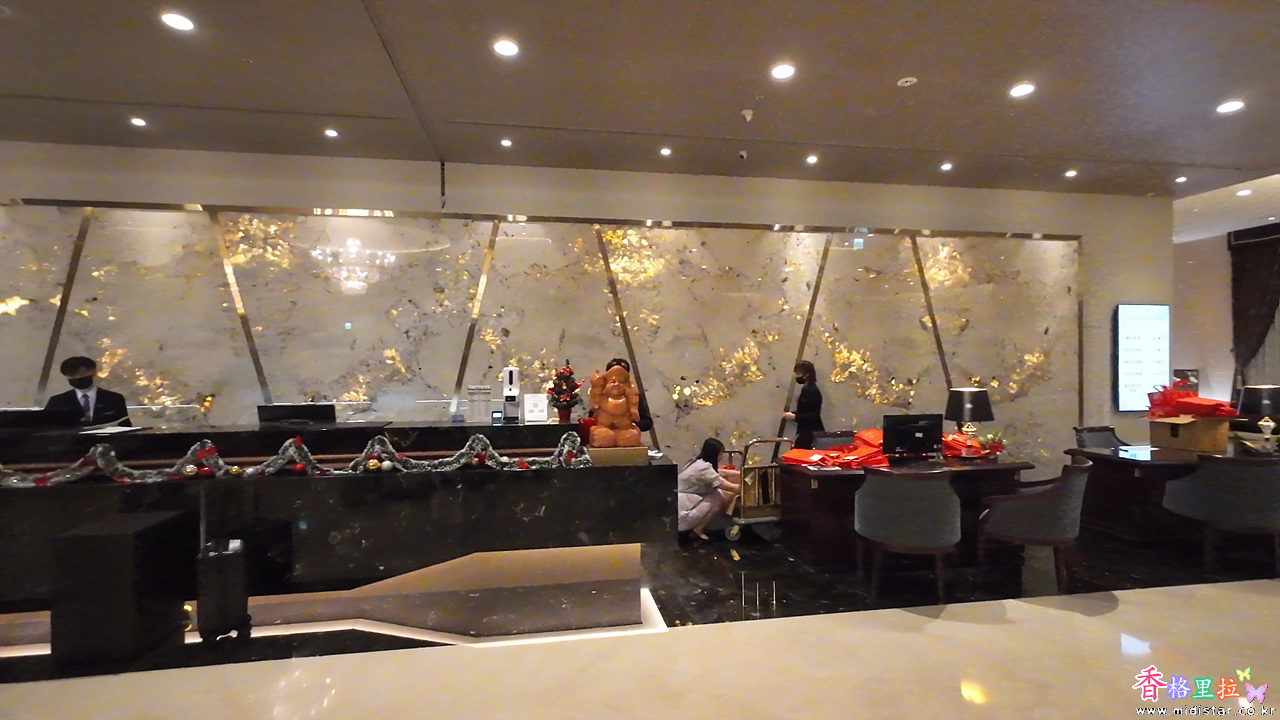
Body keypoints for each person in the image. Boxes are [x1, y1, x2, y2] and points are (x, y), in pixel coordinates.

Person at [677, 438, 741, 540]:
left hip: (681, 504)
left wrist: (742, 473)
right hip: (683, 513)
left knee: (716, 494)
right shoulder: (704, 469)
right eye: (721, 454)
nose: (722, 457)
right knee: (717, 497)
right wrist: (748, 487)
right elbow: (730, 487)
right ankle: (697, 528)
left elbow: (719, 472)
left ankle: (697, 527)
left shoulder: (697, 462)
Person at [43, 356, 131, 426]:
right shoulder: (57, 402)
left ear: (94, 373)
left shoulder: (114, 399)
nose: (78, 379)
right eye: (73, 378)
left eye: (83, 377)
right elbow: (47, 429)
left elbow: (124, 426)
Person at [601, 357, 653, 432]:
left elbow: (647, 422)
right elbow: (593, 417)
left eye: (621, 378)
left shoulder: (634, 395)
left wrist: (632, 423)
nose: (617, 384)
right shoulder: (601, 394)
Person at [782, 359, 824, 449]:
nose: (797, 376)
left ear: (806, 374)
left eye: (799, 373)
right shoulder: (809, 388)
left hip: (810, 432)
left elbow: (814, 414)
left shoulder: (810, 390)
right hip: (809, 431)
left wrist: (795, 417)